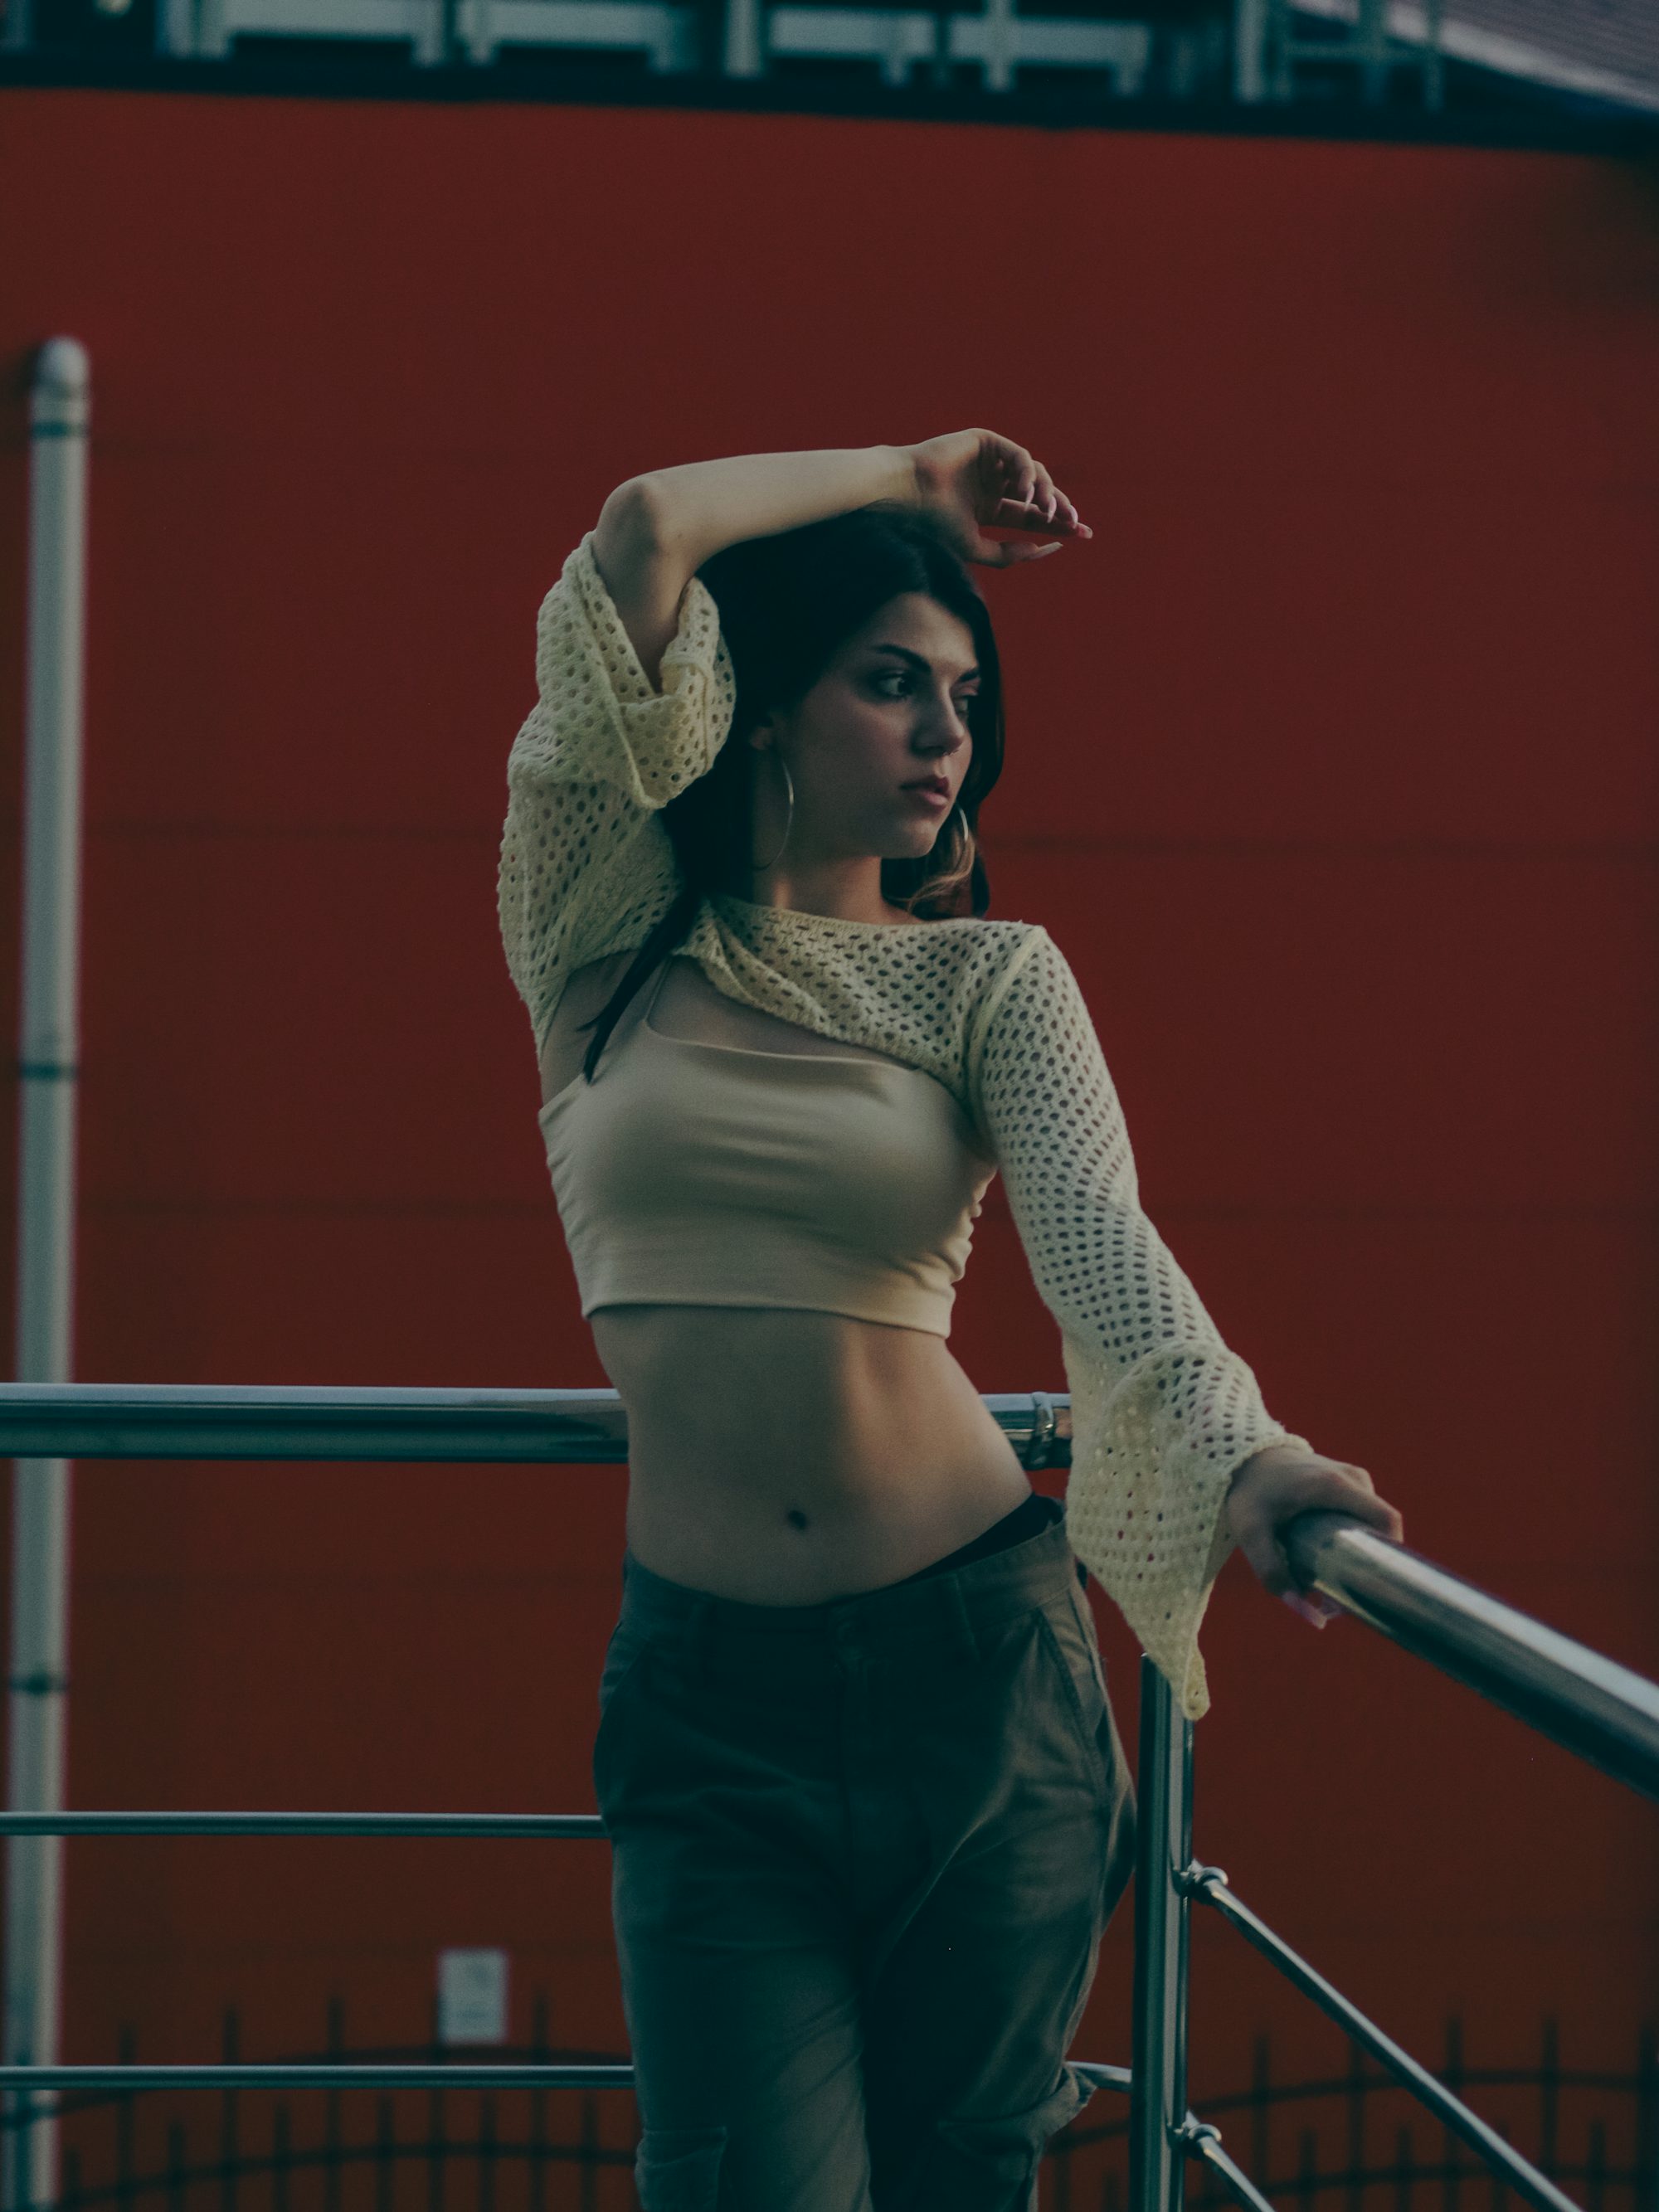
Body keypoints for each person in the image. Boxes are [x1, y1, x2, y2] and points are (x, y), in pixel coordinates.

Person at [496, 430, 1404, 2212]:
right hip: (710, 1704)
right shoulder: (600, 941)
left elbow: (1101, 1248)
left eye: (965, 697)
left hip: (978, 1681)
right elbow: (646, 528)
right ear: (762, 707)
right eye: (891, 681)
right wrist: (913, 469)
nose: (942, 732)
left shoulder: (991, 974)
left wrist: (1246, 1449)